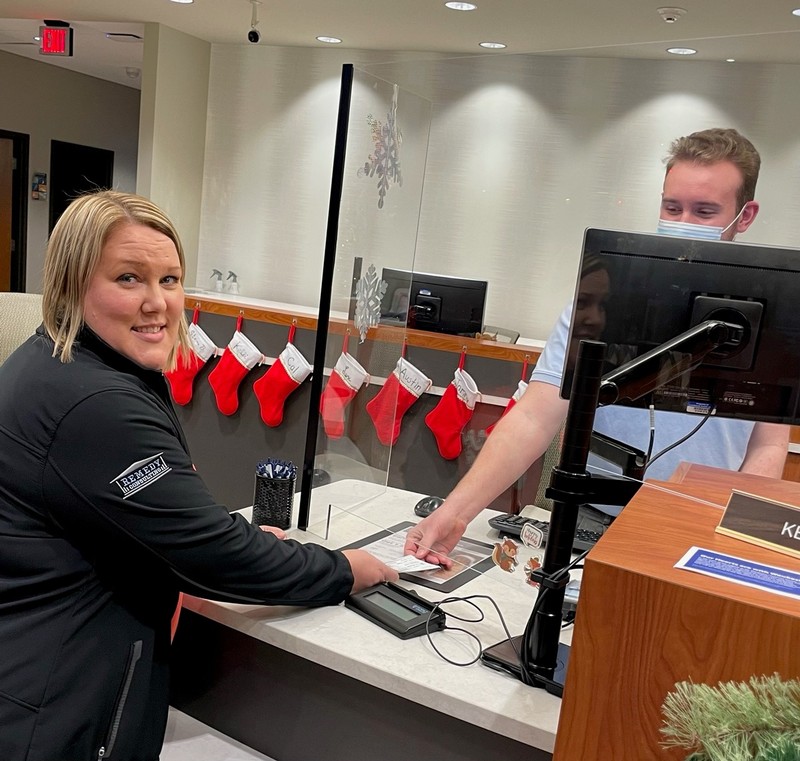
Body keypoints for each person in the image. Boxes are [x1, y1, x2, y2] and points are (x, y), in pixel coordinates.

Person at [0, 190, 398, 761]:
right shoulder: (95, 404)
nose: (157, 303)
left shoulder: (55, 362)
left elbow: (153, 521)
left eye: (170, 280)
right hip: (57, 710)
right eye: (129, 278)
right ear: (72, 284)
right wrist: (342, 569)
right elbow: (209, 554)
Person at [405, 127, 790, 565]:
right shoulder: (603, 301)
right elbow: (534, 415)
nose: (683, 225)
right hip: (592, 517)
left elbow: (768, 445)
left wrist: (739, 542)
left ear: (745, 215)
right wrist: (456, 514)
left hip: (700, 529)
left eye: (704, 211)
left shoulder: (778, 318)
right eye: (672, 207)